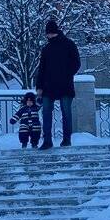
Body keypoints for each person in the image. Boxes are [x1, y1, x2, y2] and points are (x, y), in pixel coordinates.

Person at [35, 19, 81, 148]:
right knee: (64, 113)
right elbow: (76, 63)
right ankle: (64, 140)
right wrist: (67, 74)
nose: (47, 36)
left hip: (51, 85)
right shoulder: (66, 44)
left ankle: (49, 141)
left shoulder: (50, 48)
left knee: (49, 113)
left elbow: (42, 69)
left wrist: (40, 87)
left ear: (50, 33)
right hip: (60, 85)